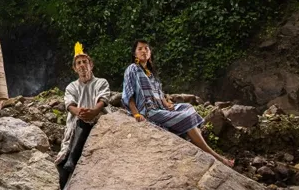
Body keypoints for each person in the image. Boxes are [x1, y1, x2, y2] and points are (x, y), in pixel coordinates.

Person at [122, 39, 234, 167]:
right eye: (140, 49)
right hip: (148, 111)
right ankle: (215, 156)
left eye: (146, 48)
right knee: (185, 117)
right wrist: (136, 114)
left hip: (160, 108)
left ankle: (197, 143)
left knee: (187, 107)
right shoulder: (132, 69)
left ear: (150, 53)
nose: (144, 51)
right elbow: (128, 93)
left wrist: (167, 104)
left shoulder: (150, 73)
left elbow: (159, 94)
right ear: (134, 53)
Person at [54, 42, 110, 189]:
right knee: (61, 161)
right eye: (78, 63)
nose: (82, 65)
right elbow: (70, 105)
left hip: (99, 124)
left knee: (86, 122)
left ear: (91, 64)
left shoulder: (101, 82)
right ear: (74, 68)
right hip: (77, 124)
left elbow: (103, 100)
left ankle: (72, 159)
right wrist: (80, 112)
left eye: (85, 61)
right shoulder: (71, 87)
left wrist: (93, 112)